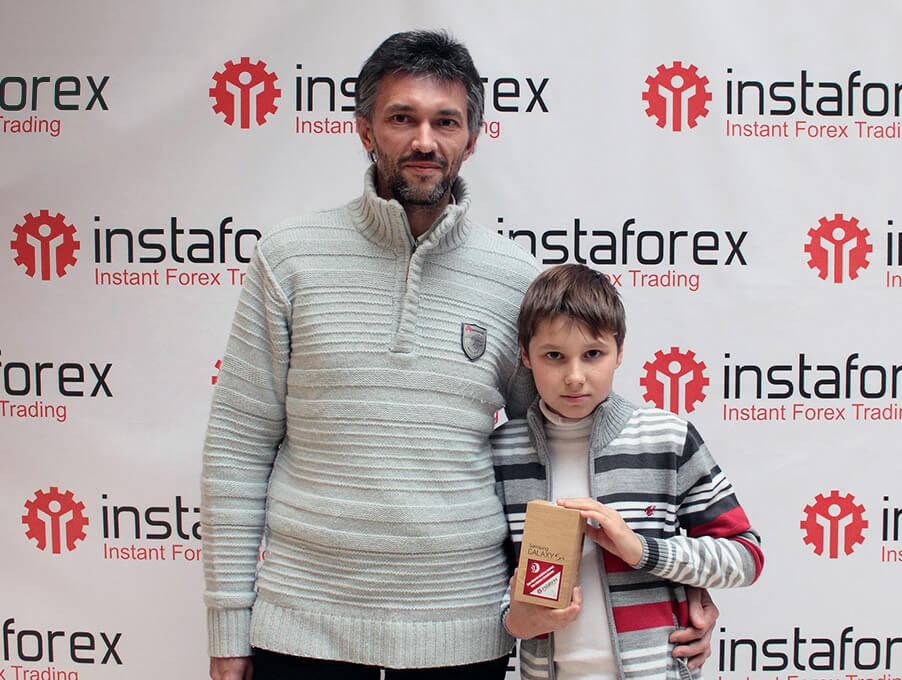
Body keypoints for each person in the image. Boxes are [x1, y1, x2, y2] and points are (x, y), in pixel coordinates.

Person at [201, 31, 719, 680]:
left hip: (466, 636)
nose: (425, 140)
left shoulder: (516, 279)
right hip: (304, 627)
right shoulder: (289, 259)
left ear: (471, 139)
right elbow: (238, 446)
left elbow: (565, 449)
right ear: (364, 130)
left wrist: (676, 582)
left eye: (445, 122)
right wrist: (228, 628)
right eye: (402, 118)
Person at [492, 264, 764, 680]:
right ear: (525, 356)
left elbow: (746, 557)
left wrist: (641, 550)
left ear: (619, 351)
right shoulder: (502, 453)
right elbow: (484, 580)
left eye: (593, 354)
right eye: (554, 356)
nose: (575, 377)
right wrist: (515, 621)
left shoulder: (667, 439)